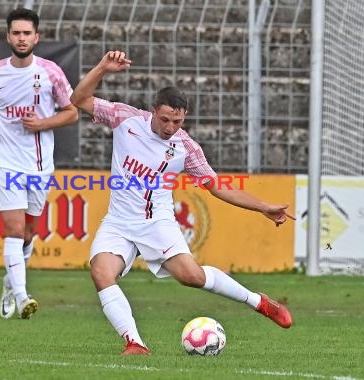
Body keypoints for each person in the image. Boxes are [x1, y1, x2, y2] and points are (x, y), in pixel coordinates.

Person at [70, 51, 295, 356]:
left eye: (177, 121)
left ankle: (258, 302)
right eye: (164, 119)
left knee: (193, 277)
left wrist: (263, 207)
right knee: (100, 272)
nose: (169, 127)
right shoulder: (126, 119)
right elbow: (78, 98)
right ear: (152, 111)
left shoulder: (185, 148)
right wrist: (102, 68)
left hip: (156, 223)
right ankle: (134, 342)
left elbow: (217, 187)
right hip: (119, 223)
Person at [0, 8, 78, 320]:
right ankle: (22, 296)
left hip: (38, 166)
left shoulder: (51, 73)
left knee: (28, 232)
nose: (21, 38)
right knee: (13, 227)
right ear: (8, 36)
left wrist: (43, 123)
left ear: (37, 37)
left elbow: (72, 112)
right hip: (4, 163)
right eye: (16, 33)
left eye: (26, 33)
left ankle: (10, 282)